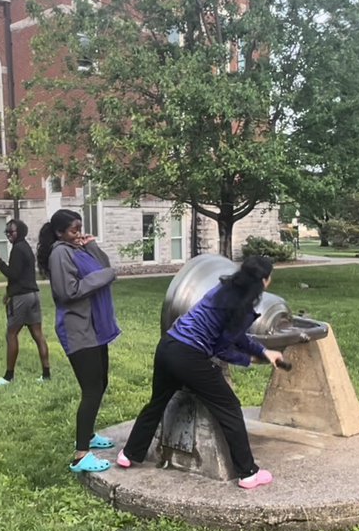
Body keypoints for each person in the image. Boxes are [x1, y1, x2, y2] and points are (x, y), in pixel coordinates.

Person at [116, 255, 284, 490]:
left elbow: (236, 336)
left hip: (168, 346)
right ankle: (248, 473)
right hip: (190, 357)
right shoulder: (243, 307)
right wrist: (248, 359)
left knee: (157, 402)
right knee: (230, 408)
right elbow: (221, 349)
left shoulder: (223, 289)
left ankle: (129, 453)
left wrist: (264, 351)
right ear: (264, 281)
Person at [36, 209, 121, 473]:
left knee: (100, 383)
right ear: (59, 232)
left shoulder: (78, 249)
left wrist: (92, 245)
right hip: (78, 330)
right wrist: (104, 276)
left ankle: (88, 435)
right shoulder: (60, 253)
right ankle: (81, 455)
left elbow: (105, 267)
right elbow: (67, 291)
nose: (78, 234)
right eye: (74, 230)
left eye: (80, 229)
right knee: (92, 389)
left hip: (95, 329)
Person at [0, 219, 52, 386]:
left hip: (21, 298)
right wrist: (8, 292)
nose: (8, 234)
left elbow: (13, 274)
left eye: (11, 232)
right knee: (38, 335)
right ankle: (46, 374)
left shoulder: (17, 249)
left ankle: (8, 377)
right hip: (33, 294)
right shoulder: (26, 247)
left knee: (11, 334)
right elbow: (22, 275)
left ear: (21, 232)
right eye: (7, 232)